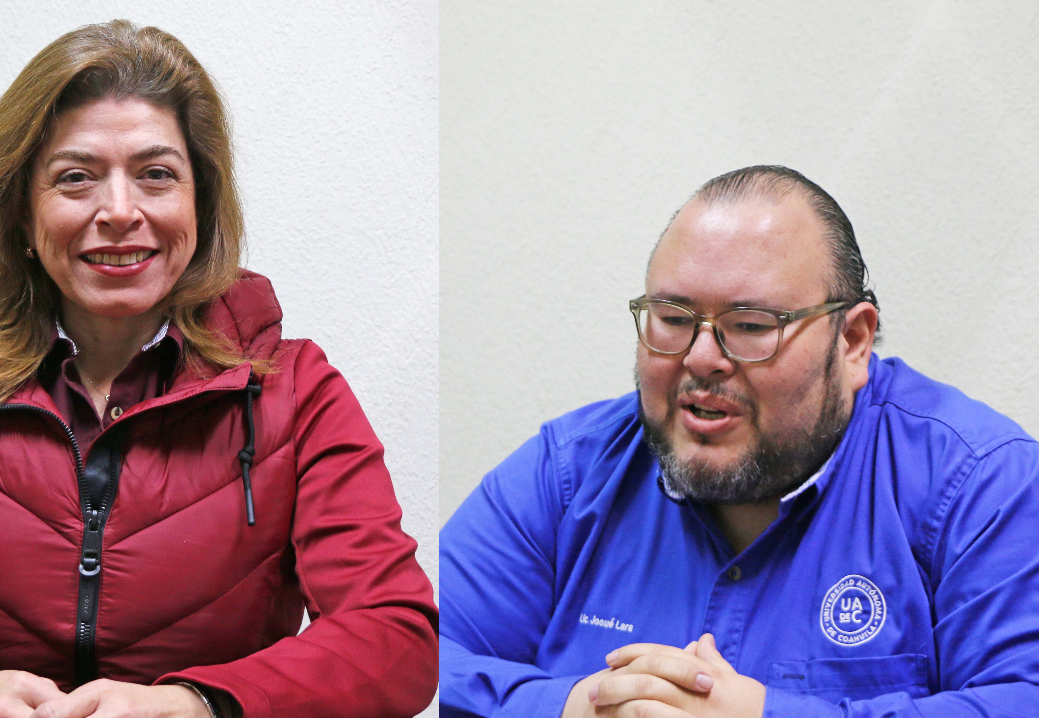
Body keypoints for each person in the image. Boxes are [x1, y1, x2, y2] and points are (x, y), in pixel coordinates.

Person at [0, 20, 437, 718]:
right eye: (75, 178)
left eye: (156, 175)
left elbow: (396, 638)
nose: (120, 212)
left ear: (200, 203)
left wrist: (195, 706)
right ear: (21, 215)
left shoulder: (296, 392)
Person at [439, 165, 1039, 717]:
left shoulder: (979, 482)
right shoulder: (568, 474)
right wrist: (575, 707)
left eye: (751, 326)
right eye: (673, 319)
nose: (701, 358)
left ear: (852, 341)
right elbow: (425, 655)